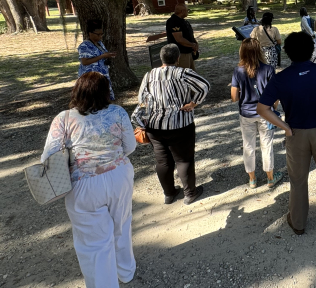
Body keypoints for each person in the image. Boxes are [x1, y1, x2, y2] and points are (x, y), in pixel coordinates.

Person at [41, 72, 136, 286]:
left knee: (94, 241)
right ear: (106, 91)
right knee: (122, 223)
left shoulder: (63, 119)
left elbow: (48, 157)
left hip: (83, 182)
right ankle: (126, 271)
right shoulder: (118, 112)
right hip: (118, 175)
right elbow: (129, 146)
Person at [257, 32, 316, 235]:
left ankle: (298, 222)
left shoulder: (280, 79)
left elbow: (262, 108)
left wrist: (284, 127)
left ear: (288, 53)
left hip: (295, 133)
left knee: (298, 179)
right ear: (311, 49)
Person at [138, 44, 211, 205]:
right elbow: (204, 86)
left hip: (154, 126)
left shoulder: (149, 75)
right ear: (178, 58)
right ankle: (190, 193)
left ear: (161, 58)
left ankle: (169, 193)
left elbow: (141, 99)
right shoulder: (184, 73)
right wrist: (193, 103)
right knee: (184, 159)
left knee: (162, 161)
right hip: (180, 123)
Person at [231, 39, 283, 189]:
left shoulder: (238, 71)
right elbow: (275, 94)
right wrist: (274, 107)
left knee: (248, 146)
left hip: (246, 113)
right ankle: (270, 178)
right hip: (265, 113)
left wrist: (244, 91)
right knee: (267, 145)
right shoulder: (268, 69)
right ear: (259, 50)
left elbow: (234, 97)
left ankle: (252, 179)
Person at [78, 19, 116, 100]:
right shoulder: (84, 46)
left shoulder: (100, 43)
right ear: (90, 33)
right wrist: (102, 56)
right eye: (98, 34)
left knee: (104, 98)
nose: (100, 36)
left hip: (102, 75)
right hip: (90, 77)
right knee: (93, 97)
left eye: (101, 34)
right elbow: (84, 62)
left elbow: (102, 54)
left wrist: (108, 55)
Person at [166, 4, 200, 70]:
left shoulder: (184, 21)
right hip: (181, 54)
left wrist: (195, 43)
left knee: (191, 74)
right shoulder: (173, 21)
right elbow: (179, 39)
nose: (188, 12)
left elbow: (189, 35)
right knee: (183, 75)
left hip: (189, 52)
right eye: (187, 10)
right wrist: (192, 45)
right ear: (182, 11)